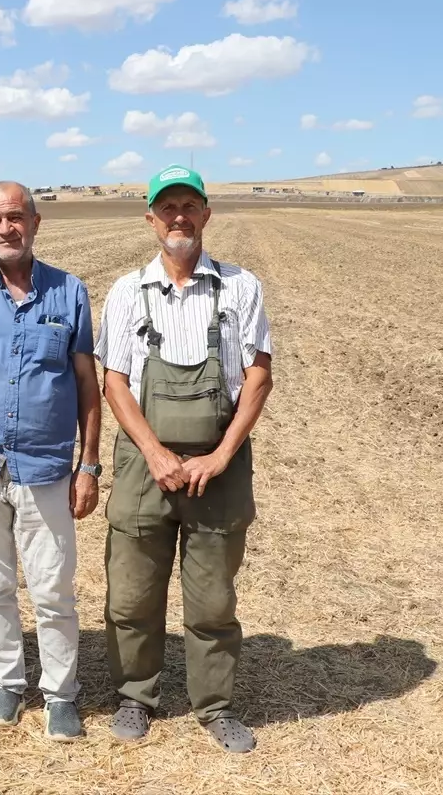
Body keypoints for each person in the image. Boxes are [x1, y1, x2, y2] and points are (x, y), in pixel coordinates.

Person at [94, 165, 273, 753]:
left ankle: (215, 706)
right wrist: (156, 453)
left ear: (205, 214)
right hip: (145, 467)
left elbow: (258, 379)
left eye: (188, 206)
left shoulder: (240, 287)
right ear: (150, 219)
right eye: (166, 207)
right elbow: (114, 382)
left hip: (217, 470)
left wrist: (221, 455)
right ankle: (134, 696)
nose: (178, 217)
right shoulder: (128, 291)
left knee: (213, 598)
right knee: (131, 594)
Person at [0, 181, 101, 741]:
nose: (6, 228)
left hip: (47, 466)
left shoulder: (69, 292)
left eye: (16, 217)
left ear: (36, 222)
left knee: (53, 589)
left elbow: (86, 384)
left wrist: (90, 464)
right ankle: (6, 683)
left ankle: (61, 694)